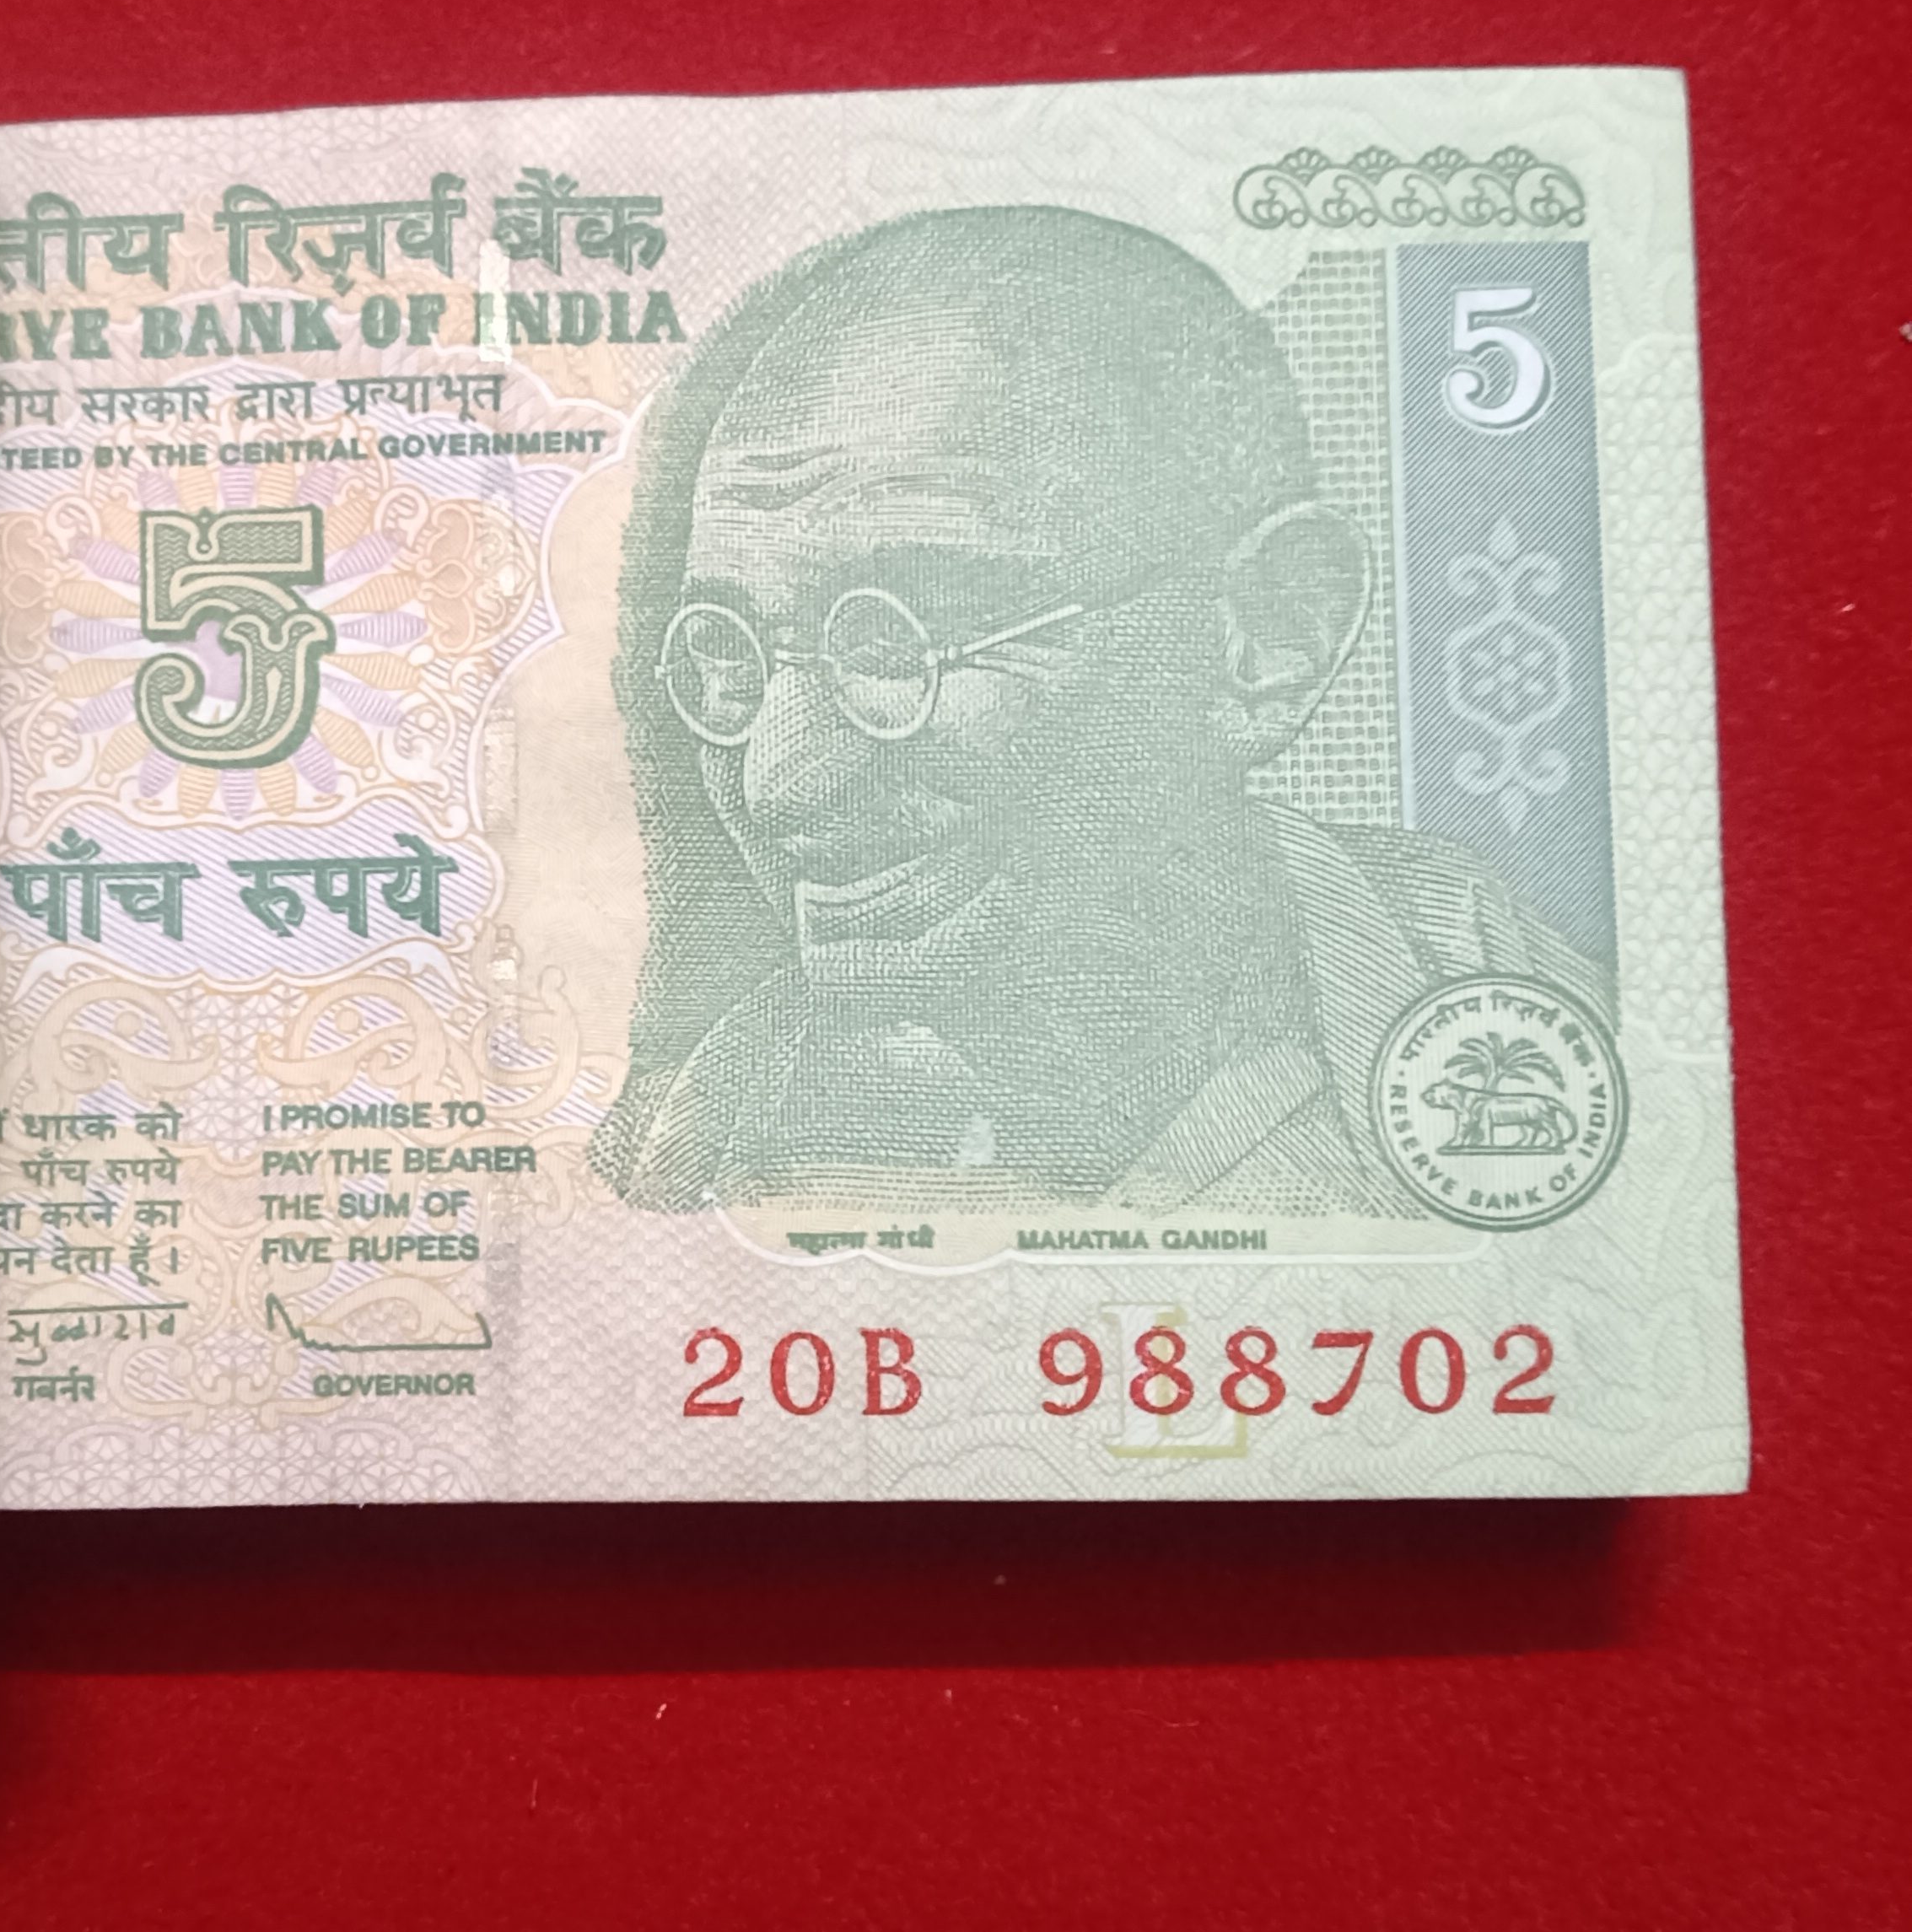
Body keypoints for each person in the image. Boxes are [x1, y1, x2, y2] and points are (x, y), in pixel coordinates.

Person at [599, 205, 1607, 1215]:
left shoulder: (1525, 1047)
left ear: (1265, 639)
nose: (779, 784)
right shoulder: (689, 1145)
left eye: (909, 637)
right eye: (729, 652)